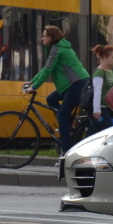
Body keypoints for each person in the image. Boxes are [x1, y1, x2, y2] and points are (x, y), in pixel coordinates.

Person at [23, 25, 89, 154]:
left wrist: (34, 87)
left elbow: (48, 70)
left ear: (51, 37)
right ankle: (68, 120)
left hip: (77, 84)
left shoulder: (57, 49)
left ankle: (66, 151)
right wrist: (32, 81)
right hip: (74, 83)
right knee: (51, 99)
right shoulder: (57, 47)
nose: (41, 38)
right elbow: (46, 68)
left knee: (62, 117)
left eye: (44, 36)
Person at [87, 45, 113, 134]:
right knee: (110, 134)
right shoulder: (99, 72)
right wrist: (97, 110)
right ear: (105, 57)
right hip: (102, 109)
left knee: (94, 135)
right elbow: (97, 91)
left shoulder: (111, 72)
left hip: (109, 109)